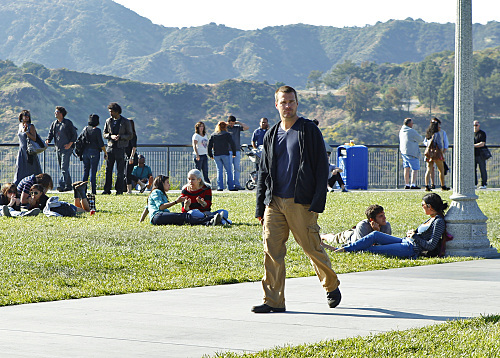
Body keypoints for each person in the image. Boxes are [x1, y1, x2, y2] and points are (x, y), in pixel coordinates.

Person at [252, 85, 341, 313]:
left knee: (311, 247)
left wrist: (318, 202)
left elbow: (322, 167)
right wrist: (260, 206)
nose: (288, 106)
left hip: (300, 201)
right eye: (283, 102)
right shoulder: (271, 134)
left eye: (291, 101)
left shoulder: (308, 130)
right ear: (276, 105)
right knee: (272, 251)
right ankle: (273, 301)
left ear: (297, 103)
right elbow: (263, 172)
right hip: (274, 202)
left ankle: (331, 285)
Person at [327, 193, 447, 259]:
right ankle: (345, 247)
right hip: (405, 241)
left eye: (423, 205)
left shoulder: (438, 222)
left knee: (370, 250)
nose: (422, 207)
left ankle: (342, 250)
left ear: (430, 207)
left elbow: (431, 245)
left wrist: (415, 236)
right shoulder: (431, 218)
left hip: (410, 249)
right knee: (375, 234)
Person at [146, 175, 222, 226]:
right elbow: (161, 207)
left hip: (159, 217)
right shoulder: (157, 192)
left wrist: (141, 221)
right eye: (167, 183)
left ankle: (211, 220)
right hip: (158, 216)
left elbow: (147, 208)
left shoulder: (159, 193)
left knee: (182, 219)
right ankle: (210, 219)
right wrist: (176, 202)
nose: (169, 185)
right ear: (161, 184)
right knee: (184, 216)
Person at [321, 204, 391, 246]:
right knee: (333, 239)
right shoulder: (363, 226)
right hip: (349, 236)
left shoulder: (386, 225)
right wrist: (376, 232)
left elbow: (386, 245)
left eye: (384, 215)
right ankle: (323, 236)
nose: (384, 218)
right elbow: (362, 245)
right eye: (380, 216)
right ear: (372, 220)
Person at [102, 102, 133, 195]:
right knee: (108, 170)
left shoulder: (125, 122)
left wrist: (121, 137)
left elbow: (130, 135)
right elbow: (104, 133)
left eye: (111, 111)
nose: (110, 113)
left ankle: (119, 190)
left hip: (121, 148)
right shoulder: (108, 121)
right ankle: (107, 189)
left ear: (117, 112)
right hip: (110, 148)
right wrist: (111, 136)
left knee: (120, 171)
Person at [45, 106, 77, 192]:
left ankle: (62, 185)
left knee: (64, 167)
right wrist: (48, 140)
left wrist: (70, 144)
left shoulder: (67, 123)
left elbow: (74, 135)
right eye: (55, 112)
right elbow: (51, 133)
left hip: (66, 149)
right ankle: (69, 185)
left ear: (62, 114)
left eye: (57, 112)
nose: (55, 113)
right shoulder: (54, 123)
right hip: (58, 148)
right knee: (63, 168)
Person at [13, 110, 42, 186]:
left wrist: (27, 132)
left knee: (31, 169)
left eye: (28, 116)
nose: (27, 117)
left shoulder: (31, 126)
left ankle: (35, 184)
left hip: (29, 151)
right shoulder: (20, 125)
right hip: (21, 150)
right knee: (20, 168)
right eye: (25, 115)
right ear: (21, 116)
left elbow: (34, 138)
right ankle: (18, 185)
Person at [80, 114, 107, 195]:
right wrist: (105, 152)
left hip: (85, 152)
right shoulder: (97, 130)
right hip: (94, 152)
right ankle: (93, 190)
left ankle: (83, 190)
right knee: (93, 171)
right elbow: (101, 143)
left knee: (86, 171)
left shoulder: (85, 129)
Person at [207, 121, 237, 191]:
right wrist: (234, 153)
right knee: (228, 171)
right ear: (225, 127)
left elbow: (209, 146)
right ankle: (230, 187)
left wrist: (210, 154)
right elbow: (232, 144)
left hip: (216, 155)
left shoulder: (213, 135)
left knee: (219, 170)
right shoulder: (227, 135)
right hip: (225, 154)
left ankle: (220, 187)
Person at [424, 121, 449, 192]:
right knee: (441, 170)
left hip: (429, 154)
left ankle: (426, 185)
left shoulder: (428, 134)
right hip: (436, 154)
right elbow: (440, 145)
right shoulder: (437, 134)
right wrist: (442, 154)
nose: (440, 128)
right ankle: (443, 185)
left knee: (429, 169)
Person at [399, 118, 423, 189]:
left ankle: (407, 184)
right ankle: (413, 184)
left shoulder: (401, 130)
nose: (412, 124)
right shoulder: (411, 131)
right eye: (412, 123)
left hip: (403, 151)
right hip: (412, 152)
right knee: (415, 168)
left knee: (406, 168)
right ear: (409, 123)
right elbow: (420, 138)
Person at [226, 115, 249, 190]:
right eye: (231, 123)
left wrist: (239, 123)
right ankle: (230, 185)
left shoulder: (237, 128)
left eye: (233, 123)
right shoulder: (225, 128)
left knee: (237, 168)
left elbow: (246, 127)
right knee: (229, 169)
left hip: (236, 150)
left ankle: (237, 184)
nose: (232, 125)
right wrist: (227, 124)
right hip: (228, 151)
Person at [125, 119, 138, 194]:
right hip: (127, 156)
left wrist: (131, 157)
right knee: (127, 173)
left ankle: (129, 190)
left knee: (127, 173)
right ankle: (141, 184)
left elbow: (134, 147)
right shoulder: (127, 135)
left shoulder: (133, 135)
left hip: (131, 157)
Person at [474, 120, 488, 189]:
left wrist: (473, 145)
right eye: (473, 125)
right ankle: (474, 183)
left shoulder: (482, 133)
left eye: (476, 125)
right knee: (473, 169)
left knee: (482, 169)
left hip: (480, 154)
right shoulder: (471, 134)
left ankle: (484, 184)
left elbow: (482, 143)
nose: (475, 127)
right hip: (473, 154)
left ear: (479, 125)